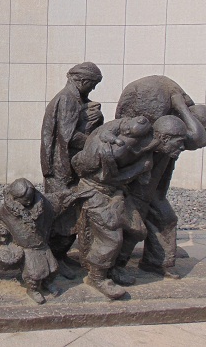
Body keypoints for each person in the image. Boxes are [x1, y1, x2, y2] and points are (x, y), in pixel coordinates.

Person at [115, 76, 206, 279]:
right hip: (138, 183)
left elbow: (198, 139)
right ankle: (116, 265)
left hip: (151, 183)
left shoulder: (170, 137)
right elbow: (198, 138)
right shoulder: (152, 136)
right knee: (136, 220)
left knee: (163, 217)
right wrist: (181, 106)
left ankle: (156, 261)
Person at [71, 116, 158, 299]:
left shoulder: (141, 142)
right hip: (94, 192)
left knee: (138, 230)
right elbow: (104, 177)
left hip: (115, 192)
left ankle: (115, 267)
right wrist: (140, 168)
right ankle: (97, 277)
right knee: (112, 238)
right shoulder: (107, 150)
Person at [40, 62, 104, 279]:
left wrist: (93, 118)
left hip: (65, 166)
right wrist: (95, 142)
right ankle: (54, 259)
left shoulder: (75, 99)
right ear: (83, 81)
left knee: (69, 212)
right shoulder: (67, 99)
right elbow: (68, 137)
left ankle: (60, 254)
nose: (93, 89)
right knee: (64, 214)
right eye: (93, 84)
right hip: (61, 169)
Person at [0, 179, 60, 304]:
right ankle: (33, 290)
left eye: (31, 198)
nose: (29, 202)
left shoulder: (42, 205)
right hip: (27, 248)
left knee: (53, 268)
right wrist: (0, 233)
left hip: (42, 244)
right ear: (15, 198)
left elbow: (50, 216)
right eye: (25, 200)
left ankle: (47, 283)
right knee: (33, 274)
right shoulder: (6, 212)